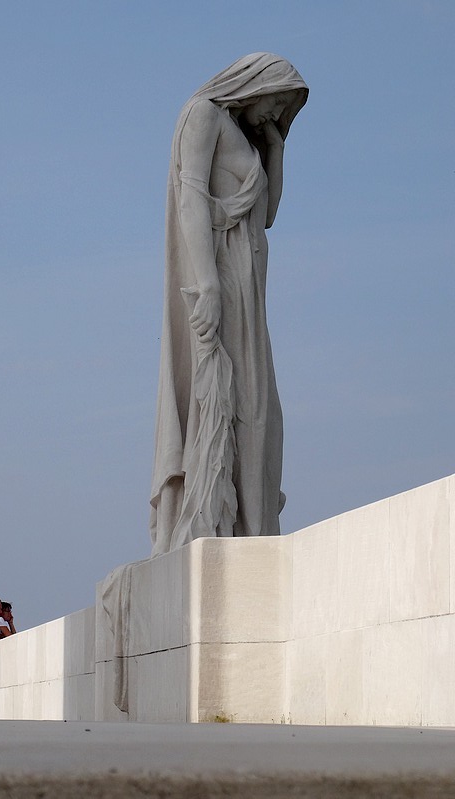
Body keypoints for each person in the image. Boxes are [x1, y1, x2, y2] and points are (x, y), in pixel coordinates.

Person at [150, 53, 308, 556]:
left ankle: (256, 529)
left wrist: (276, 150)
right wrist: (207, 285)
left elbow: (268, 215)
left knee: (260, 408)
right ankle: (222, 522)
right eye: (277, 101)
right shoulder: (204, 114)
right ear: (255, 84)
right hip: (222, 277)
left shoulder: (247, 137)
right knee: (231, 402)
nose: (277, 113)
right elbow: (191, 197)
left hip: (250, 287)